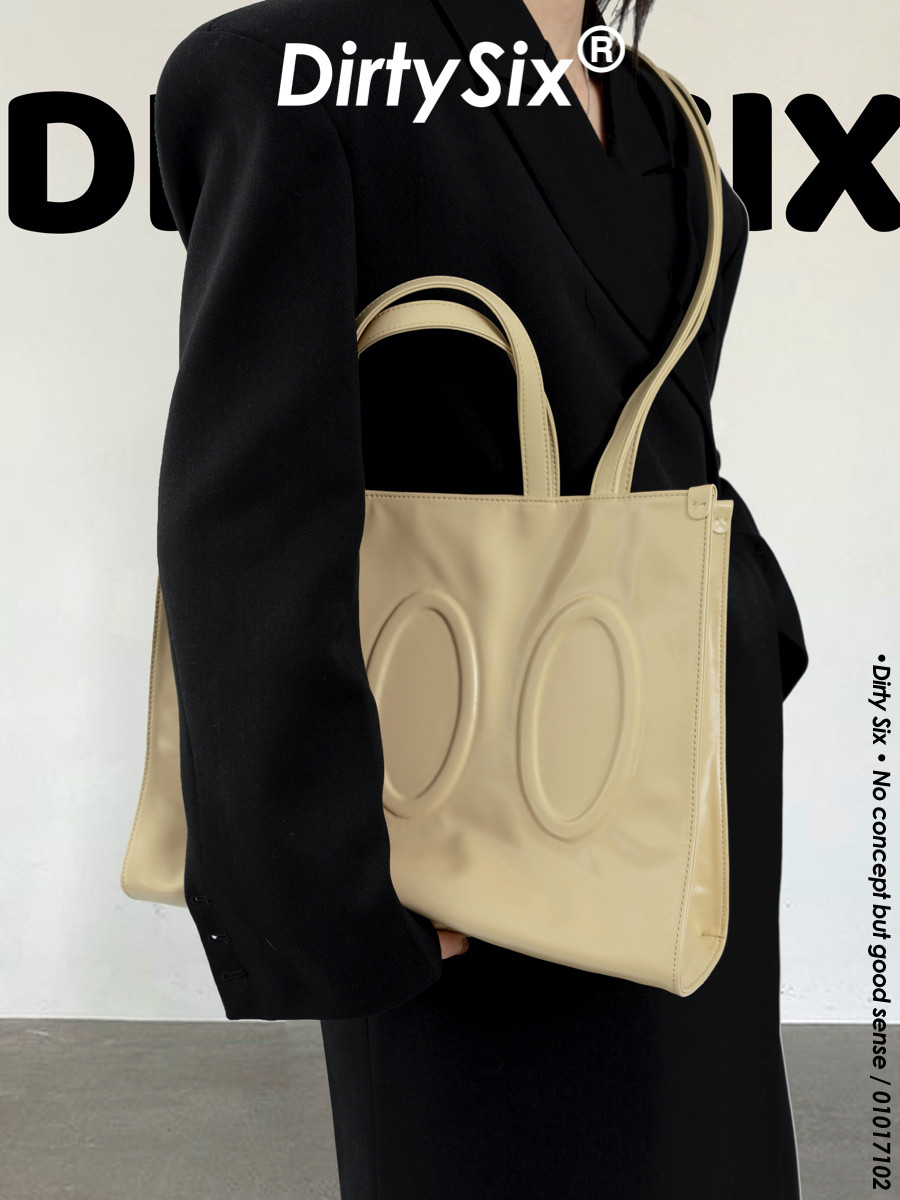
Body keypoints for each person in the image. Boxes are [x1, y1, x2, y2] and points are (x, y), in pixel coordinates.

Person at [153, 0, 809, 1196]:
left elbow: (666, 428)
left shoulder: (654, 105)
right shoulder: (295, 71)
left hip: (685, 768)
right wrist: (335, 889)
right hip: (469, 812)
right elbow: (252, 512)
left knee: (708, 1148)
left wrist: (751, 632)